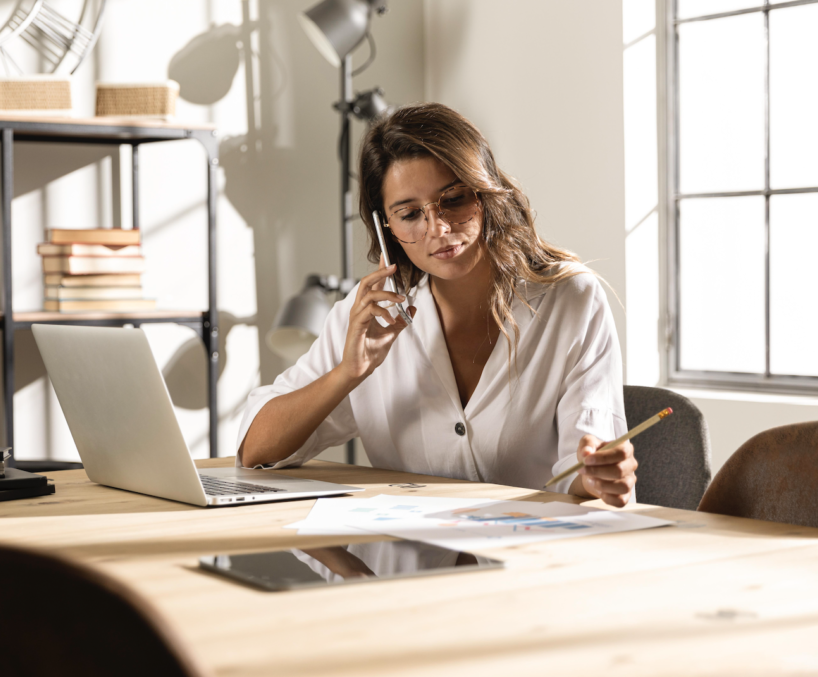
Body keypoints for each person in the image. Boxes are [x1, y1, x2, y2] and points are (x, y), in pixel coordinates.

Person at [237, 103, 636, 506]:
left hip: (535, 556)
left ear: (485, 192)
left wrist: (600, 476)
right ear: (386, 227)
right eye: (410, 213)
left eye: (455, 199)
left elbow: (584, 468)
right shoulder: (370, 317)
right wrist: (348, 373)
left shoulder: (570, 300)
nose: (439, 228)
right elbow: (255, 451)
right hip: (409, 561)